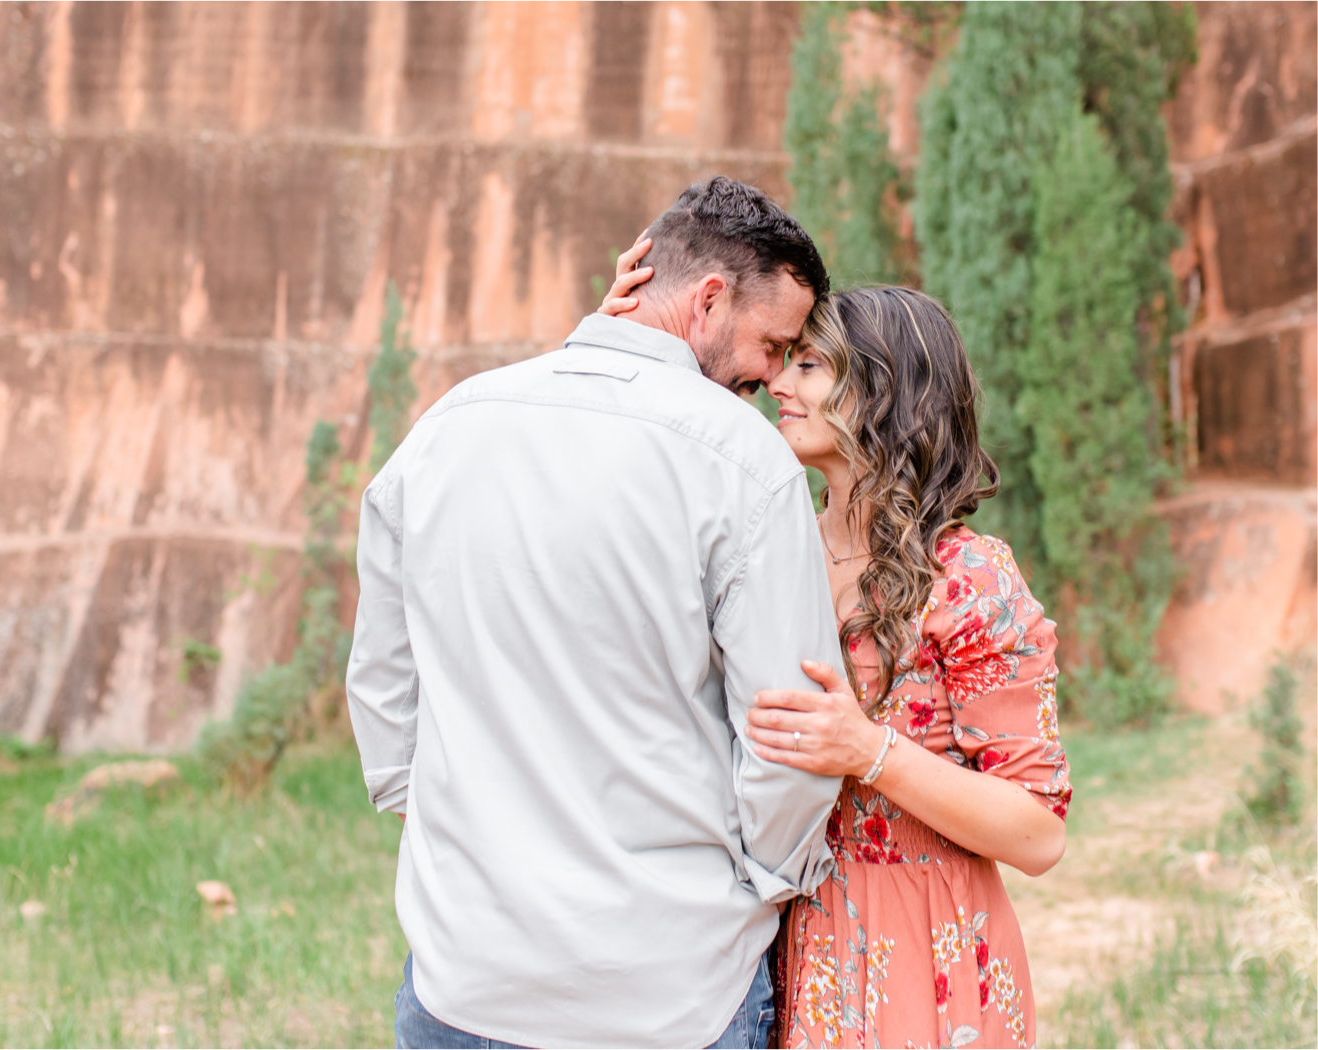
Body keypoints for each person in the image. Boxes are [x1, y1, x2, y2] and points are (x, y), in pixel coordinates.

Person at [346, 177, 847, 1049]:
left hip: (466, 979)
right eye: (771, 345)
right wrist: (758, 885)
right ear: (709, 300)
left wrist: (443, 834)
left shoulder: (447, 428)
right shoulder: (745, 465)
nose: (771, 378)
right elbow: (790, 735)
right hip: (669, 991)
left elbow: (386, 697)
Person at [603, 263, 1071, 1048]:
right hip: (776, 944)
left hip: (927, 954)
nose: (779, 381)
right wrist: (627, 337)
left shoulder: (968, 578)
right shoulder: (765, 551)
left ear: (885, 394)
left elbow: (1038, 834)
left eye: (810, 365)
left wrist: (869, 749)